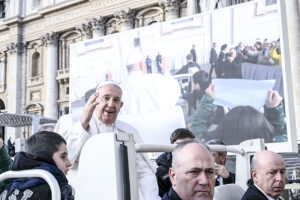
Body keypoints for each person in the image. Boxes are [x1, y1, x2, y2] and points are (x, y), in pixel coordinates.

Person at [54, 80, 161, 200]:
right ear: (95, 101)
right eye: (106, 98)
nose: (111, 104)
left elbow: (143, 172)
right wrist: (83, 123)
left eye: (116, 100)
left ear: (120, 106)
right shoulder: (71, 122)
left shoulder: (128, 130)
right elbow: (64, 162)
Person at [190, 85, 287, 145]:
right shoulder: (275, 146)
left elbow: (197, 126)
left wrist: (207, 100)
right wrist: (274, 109)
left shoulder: (213, 149)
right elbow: (279, 132)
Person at [0, 131, 73, 200]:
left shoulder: (8, 188)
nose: (69, 163)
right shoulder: (58, 191)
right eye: (63, 157)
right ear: (45, 158)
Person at [156, 128, 195, 197]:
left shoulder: (201, 165)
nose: (182, 149)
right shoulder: (162, 171)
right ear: (171, 149)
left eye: (187, 145)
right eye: (178, 145)